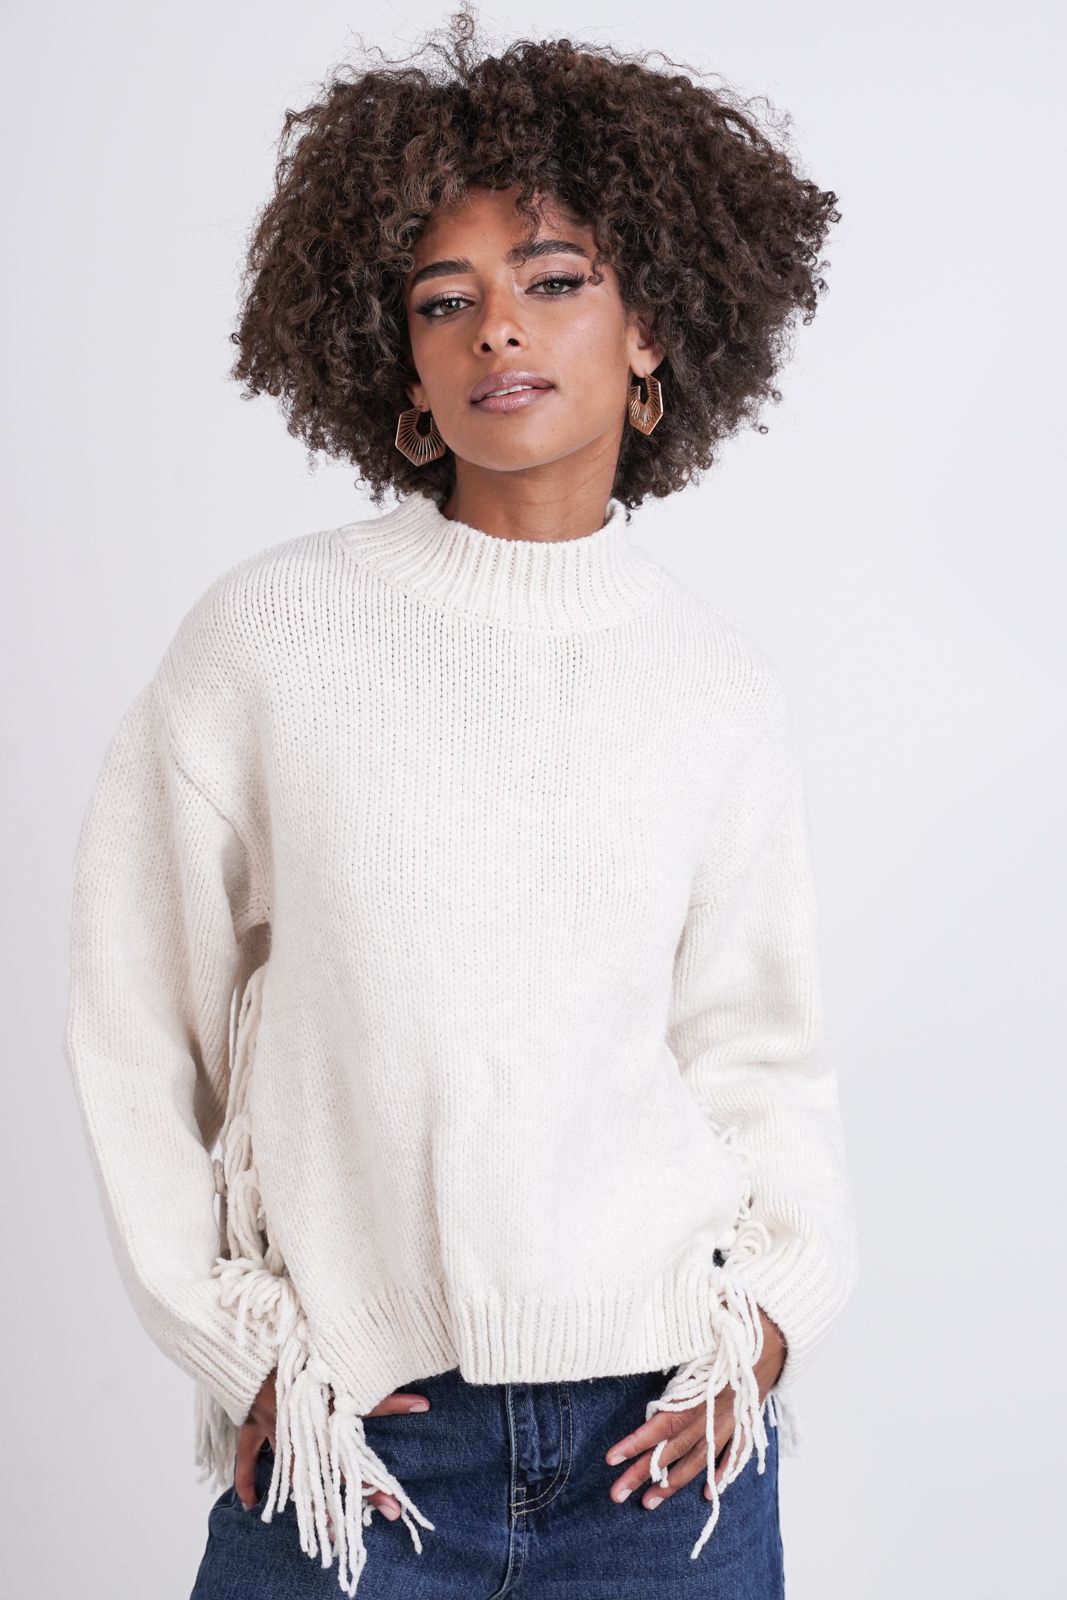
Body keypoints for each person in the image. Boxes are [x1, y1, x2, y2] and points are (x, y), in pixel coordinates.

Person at [63, 8, 859, 1596]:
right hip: (361, 1452)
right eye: (448, 299)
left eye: (553, 281)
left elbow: (759, 1055)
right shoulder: (269, 641)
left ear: (650, 328)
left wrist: (774, 1318)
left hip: (666, 1461)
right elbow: (135, 1020)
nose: (500, 329)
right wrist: (236, 1347)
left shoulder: (713, 687)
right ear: (405, 363)